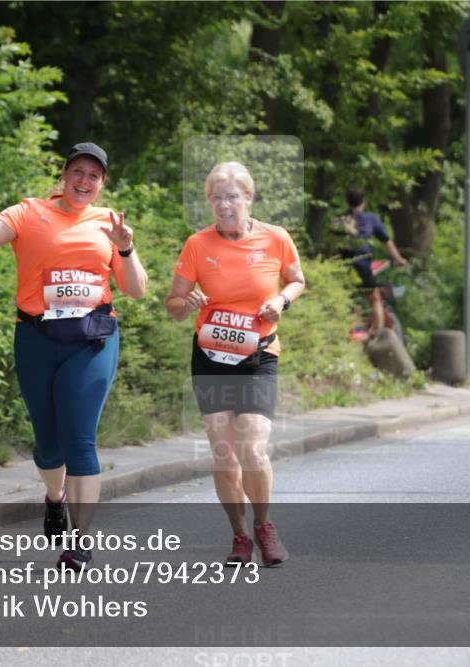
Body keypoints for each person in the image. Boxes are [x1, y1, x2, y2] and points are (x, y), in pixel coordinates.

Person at [0, 142, 148, 571]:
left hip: (92, 340)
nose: (84, 181)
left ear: (102, 183)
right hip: (36, 338)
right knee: (48, 446)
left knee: (80, 440)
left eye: (94, 176)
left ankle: (81, 542)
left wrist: (126, 249)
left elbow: (136, 289)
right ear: (64, 174)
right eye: (78, 172)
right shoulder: (28, 212)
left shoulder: (108, 224)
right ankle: (55, 497)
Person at [165, 162, 305, 567]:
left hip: (259, 353)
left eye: (232, 196)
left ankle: (264, 525)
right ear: (208, 200)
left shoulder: (275, 239)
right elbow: (173, 305)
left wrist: (281, 301)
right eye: (217, 197)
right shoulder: (198, 245)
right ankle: (240, 536)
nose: (224, 205)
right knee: (225, 453)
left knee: (252, 446)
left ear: (249, 197)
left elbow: (296, 279)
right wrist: (186, 303)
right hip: (211, 356)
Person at [338, 185, 407, 333]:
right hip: (362, 264)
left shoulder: (339, 219)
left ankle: (345, 330)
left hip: (343, 265)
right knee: (374, 299)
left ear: (347, 201)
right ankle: (378, 336)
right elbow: (386, 242)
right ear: (364, 201)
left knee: (345, 297)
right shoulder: (371, 218)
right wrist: (398, 259)